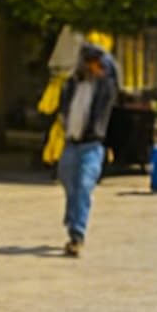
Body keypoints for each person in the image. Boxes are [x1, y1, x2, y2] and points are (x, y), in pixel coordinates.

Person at [57, 44, 117, 256]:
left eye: (96, 63)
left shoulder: (105, 87)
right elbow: (63, 105)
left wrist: (103, 62)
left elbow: (113, 75)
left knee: (84, 185)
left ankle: (77, 234)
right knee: (66, 179)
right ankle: (73, 212)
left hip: (92, 144)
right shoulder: (72, 85)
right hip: (71, 142)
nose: (92, 67)